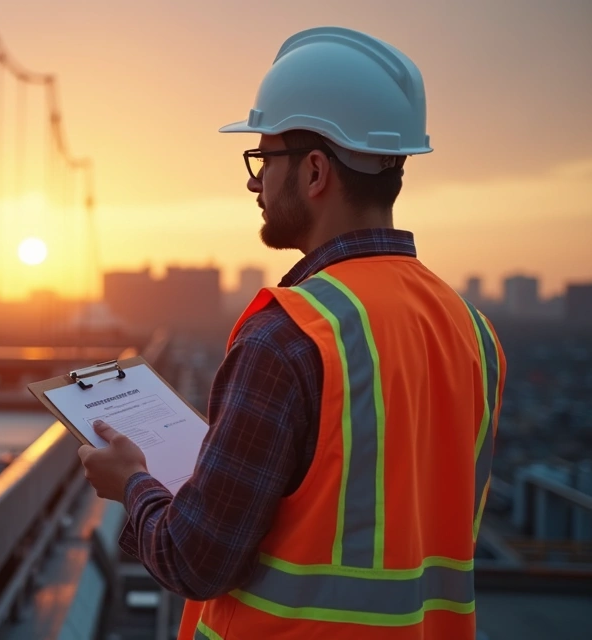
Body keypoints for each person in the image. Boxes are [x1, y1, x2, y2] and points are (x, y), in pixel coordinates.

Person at [77, 26, 506, 639]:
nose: (254, 182)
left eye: (263, 158)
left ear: (313, 172)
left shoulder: (291, 336)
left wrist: (131, 484)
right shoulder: (474, 335)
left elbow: (195, 558)